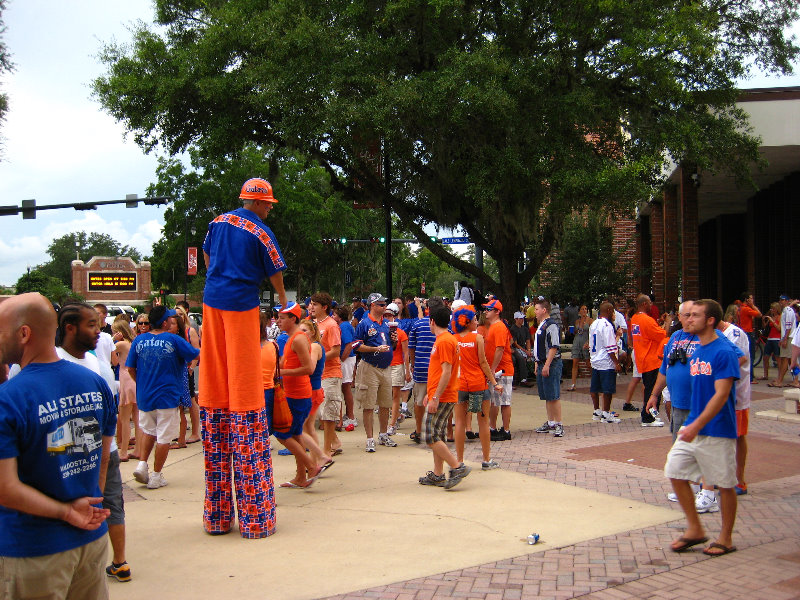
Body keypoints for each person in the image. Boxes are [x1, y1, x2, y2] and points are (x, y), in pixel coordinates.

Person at [0, 293, 116, 598]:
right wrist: (91, 503)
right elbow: (104, 455)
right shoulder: (96, 383)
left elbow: (5, 488)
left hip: (33, 551)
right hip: (91, 541)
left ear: (24, 334)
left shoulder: (9, 398)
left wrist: (66, 512)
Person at [199, 177, 287, 538]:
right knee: (246, 388)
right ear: (258, 202)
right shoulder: (261, 231)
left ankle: (217, 517)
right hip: (240, 306)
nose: (269, 209)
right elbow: (275, 271)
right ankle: (255, 517)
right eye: (268, 204)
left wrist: (216, 274)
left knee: (216, 382)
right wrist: (282, 299)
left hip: (210, 302)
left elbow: (205, 254)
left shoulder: (218, 221)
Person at [55, 303, 130, 583]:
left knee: (111, 503)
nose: (99, 331)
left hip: (103, 451)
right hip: (66, 453)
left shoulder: (99, 366)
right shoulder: (52, 361)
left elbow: (108, 412)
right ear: (69, 328)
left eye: (98, 325)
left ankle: (119, 561)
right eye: (91, 325)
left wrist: (107, 452)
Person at [664, 299, 740, 557]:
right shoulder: (697, 350)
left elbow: (721, 394)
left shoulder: (723, 351)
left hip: (717, 429)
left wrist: (696, 423)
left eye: (695, 315)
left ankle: (725, 538)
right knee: (674, 470)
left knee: (725, 484)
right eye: (687, 315)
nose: (688, 319)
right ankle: (695, 529)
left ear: (710, 320)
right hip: (693, 426)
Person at [127, 306, 200, 491]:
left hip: (145, 395)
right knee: (164, 437)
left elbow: (130, 368)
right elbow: (195, 353)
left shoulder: (139, 340)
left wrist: (141, 383)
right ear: (165, 322)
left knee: (147, 431)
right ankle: (156, 475)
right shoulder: (174, 339)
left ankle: (142, 465)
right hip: (167, 395)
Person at [417, 305, 472, 489]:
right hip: (440, 394)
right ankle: (438, 473)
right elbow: (438, 372)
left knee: (430, 436)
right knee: (437, 434)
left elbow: (446, 372)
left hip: (444, 395)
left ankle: (456, 466)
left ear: (432, 321)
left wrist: (435, 397)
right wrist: (430, 394)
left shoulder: (444, 341)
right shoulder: (443, 339)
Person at [271, 303, 323, 488]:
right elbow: (284, 363)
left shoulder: (299, 339)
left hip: (298, 395)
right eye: (277, 317)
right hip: (293, 393)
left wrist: (281, 373)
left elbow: (308, 368)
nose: (278, 321)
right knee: (296, 433)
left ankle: (311, 466)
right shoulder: (291, 337)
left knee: (281, 434)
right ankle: (301, 476)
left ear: (293, 319)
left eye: (282, 317)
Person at [452, 305, 502, 470]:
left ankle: (459, 461)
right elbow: (483, 363)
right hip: (479, 384)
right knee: (483, 421)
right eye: (473, 319)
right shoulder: (478, 338)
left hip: (460, 385)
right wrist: (494, 382)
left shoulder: (454, 339)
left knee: (459, 422)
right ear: (467, 322)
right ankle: (486, 460)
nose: (476, 321)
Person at [353, 293, 398, 451]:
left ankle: (383, 434)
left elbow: (393, 346)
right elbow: (356, 346)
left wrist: (394, 340)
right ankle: (369, 438)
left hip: (385, 368)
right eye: (380, 304)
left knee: (385, 403)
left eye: (384, 304)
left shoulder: (387, 324)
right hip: (369, 367)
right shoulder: (364, 324)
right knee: (369, 404)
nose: (384, 307)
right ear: (372, 305)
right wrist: (375, 349)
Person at [309, 292, 344, 456]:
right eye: (310, 304)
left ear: (324, 307)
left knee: (329, 413)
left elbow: (336, 351)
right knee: (321, 411)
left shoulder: (331, 325)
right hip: (317, 375)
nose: (311, 307)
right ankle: (335, 442)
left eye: (315, 304)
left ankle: (327, 450)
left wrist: (318, 359)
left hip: (330, 373)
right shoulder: (312, 323)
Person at [631, 294, 671, 426]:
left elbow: (650, 333)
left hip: (642, 358)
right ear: (643, 304)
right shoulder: (647, 320)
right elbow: (663, 334)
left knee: (649, 388)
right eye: (649, 302)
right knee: (653, 390)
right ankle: (648, 417)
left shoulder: (635, 318)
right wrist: (668, 323)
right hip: (651, 359)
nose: (651, 305)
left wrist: (660, 323)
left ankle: (651, 415)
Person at [407, 297, 441, 444]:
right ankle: (436, 431)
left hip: (421, 367)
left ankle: (419, 430)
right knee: (438, 399)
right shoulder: (447, 326)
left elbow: (411, 347)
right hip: (439, 369)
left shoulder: (418, 324)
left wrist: (413, 364)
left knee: (419, 400)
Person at [482, 299, 514, 440]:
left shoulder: (499, 327)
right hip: (496, 370)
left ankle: (506, 430)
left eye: (489, 309)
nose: (485, 311)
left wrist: (492, 369)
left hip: (503, 370)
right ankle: (493, 428)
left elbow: (500, 349)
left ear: (497, 312)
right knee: (495, 401)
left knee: (504, 401)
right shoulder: (494, 327)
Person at [533, 299, 565, 437]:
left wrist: (546, 364)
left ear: (544, 310)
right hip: (542, 363)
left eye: (536, 309)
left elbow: (553, 346)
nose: (534, 312)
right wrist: (537, 362)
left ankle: (559, 423)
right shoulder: (541, 325)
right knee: (547, 395)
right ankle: (551, 422)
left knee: (554, 395)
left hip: (551, 364)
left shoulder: (551, 325)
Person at [588, 302, 621, 423]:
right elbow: (610, 346)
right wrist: (616, 362)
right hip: (606, 361)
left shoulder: (594, 324)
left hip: (595, 359)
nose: (613, 314)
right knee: (608, 389)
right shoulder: (606, 325)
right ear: (608, 311)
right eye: (612, 311)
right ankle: (606, 414)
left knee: (595, 387)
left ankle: (596, 411)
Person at [384, 302, 411, 435]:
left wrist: (407, 371)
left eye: (389, 315)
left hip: (397, 365)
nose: (387, 317)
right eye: (385, 315)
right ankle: (396, 416)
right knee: (386, 396)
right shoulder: (381, 332)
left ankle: (392, 423)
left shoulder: (401, 333)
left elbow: (406, 353)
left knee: (395, 395)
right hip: (384, 366)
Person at [333, 305, 357, 432]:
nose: (333, 316)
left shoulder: (344, 326)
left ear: (340, 316)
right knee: (345, 387)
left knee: (346, 387)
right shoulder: (344, 325)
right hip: (347, 359)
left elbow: (348, 344)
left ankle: (351, 416)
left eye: (335, 315)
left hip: (346, 359)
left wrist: (342, 358)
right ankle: (349, 415)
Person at [771, 295, 797, 387]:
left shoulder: (788, 310)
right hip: (788, 337)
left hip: (789, 337)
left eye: (783, 300)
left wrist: (785, 338)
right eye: (780, 300)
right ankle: (796, 380)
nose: (781, 302)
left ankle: (780, 380)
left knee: (785, 359)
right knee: (790, 360)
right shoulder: (786, 310)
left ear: (787, 301)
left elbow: (788, 326)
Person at [737, 293, 761, 384]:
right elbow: (759, 314)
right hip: (748, 332)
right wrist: (753, 305)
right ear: (746, 300)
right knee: (751, 355)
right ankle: (750, 377)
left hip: (742, 332)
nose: (752, 300)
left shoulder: (739, 308)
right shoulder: (747, 309)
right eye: (751, 298)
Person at [568, 305, 593, 392]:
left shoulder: (590, 321)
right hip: (577, 341)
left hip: (585, 341)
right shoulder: (577, 321)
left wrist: (589, 342)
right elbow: (575, 332)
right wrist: (571, 331)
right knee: (575, 362)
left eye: (585, 309)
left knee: (588, 363)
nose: (584, 310)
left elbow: (593, 333)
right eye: (582, 309)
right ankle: (573, 384)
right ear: (579, 311)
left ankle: (595, 381)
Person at [509, 311, 532, 387]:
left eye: (522, 319)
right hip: (516, 348)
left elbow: (528, 340)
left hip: (524, 347)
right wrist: (525, 351)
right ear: (516, 319)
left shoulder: (525, 329)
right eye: (520, 319)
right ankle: (523, 379)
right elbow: (515, 343)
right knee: (521, 358)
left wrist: (528, 350)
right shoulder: (513, 329)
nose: (522, 320)